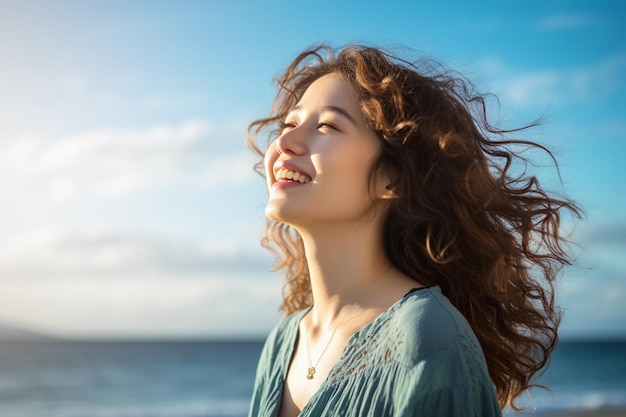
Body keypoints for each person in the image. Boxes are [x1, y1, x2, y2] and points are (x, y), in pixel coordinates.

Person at [245, 44, 580, 417]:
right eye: (290, 124)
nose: (284, 143)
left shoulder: (428, 338)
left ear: (391, 178)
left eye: (327, 125)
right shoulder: (283, 342)